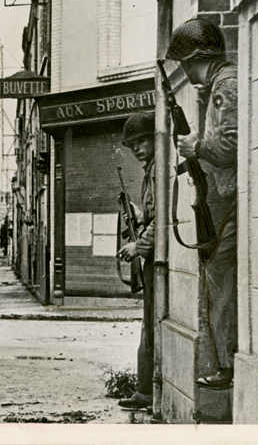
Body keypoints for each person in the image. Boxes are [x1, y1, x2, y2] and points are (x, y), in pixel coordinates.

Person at [167, 17, 238, 390]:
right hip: (223, 198)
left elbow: (229, 147)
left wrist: (196, 147)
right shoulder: (218, 86)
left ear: (199, 56)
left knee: (219, 279)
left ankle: (227, 368)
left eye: (186, 63)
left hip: (229, 200)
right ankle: (227, 364)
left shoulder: (225, 85)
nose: (185, 70)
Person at [116, 112, 156, 410]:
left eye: (142, 140)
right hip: (152, 259)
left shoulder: (156, 170)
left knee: (150, 327)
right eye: (133, 145)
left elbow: (164, 217)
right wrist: (139, 217)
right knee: (148, 326)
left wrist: (138, 246)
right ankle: (145, 390)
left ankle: (146, 391)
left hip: (153, 258)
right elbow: (153, 217)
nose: (138, 148)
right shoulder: (151, 170)